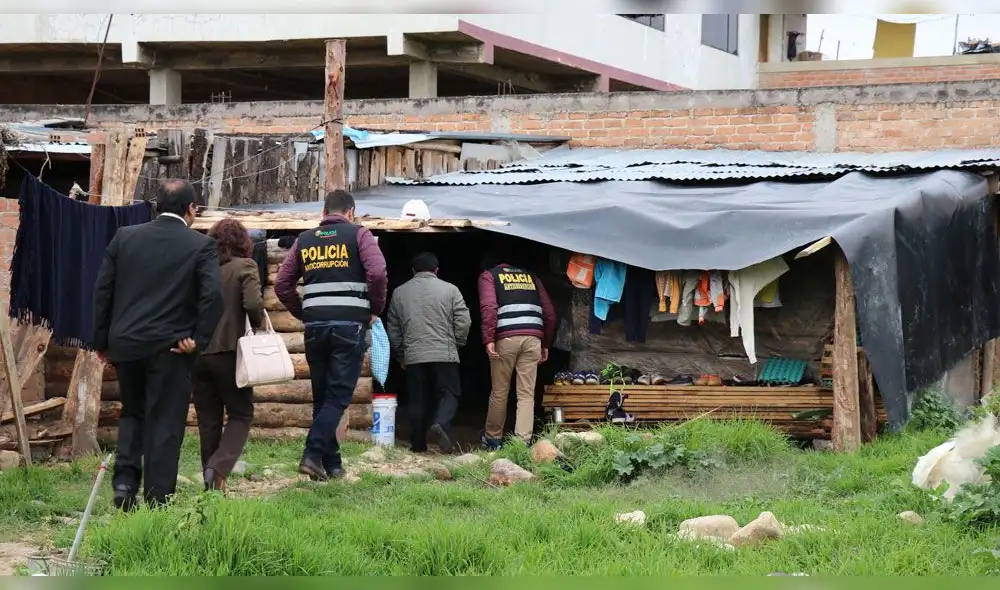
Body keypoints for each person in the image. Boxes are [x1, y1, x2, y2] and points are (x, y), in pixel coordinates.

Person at [93, 179, 224, 510]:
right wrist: (198, 338)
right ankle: (157, 498)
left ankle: (124, 485)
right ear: (191, 209)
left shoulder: (125, 238)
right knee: (165, 421)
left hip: (127, 345)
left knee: (133, 414)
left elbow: (103, 291)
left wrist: (102, 340)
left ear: (156, 205)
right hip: (173, 348)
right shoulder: (200, 246)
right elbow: (213, 297)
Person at [275, 189, 387, 481]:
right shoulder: (360, 236)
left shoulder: (305, 240)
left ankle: (332, 464)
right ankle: (312, 455)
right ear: (351, 212)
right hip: (349, 326)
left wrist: (304, 313)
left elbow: (282, 284)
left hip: (315, 329)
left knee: (323, 397)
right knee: (337, 397)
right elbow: (377, 273)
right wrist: (374, 308)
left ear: (323, 213)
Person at [193, 219, 265, 492]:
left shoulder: (202, 269)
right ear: (242, 242)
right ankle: (219, 466)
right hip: (230, 352)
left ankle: (210, 486)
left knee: (208, 420)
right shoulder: (245, 266)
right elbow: (254, 304)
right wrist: (258, 324)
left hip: (197, 354)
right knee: (242, 414)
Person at [386, 252, 471, 453]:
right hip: (444, 353)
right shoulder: (451, 290)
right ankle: (440, 424)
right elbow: (463, 321)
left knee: (417, 398)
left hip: (414, 356)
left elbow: (393, 328)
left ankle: (417, 445)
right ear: (436, 270)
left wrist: (401, 354)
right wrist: (456, 344)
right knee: (449, 392)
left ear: (413, 271)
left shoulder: (399, 292)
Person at [477, 256, 556, 450]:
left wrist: (488, 338)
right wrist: (546, 343)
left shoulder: (488, 276)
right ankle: (523, 442)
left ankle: (493, 439)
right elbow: (550, 313)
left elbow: (489, 308)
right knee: (526, 394)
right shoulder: (532, 277)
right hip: (533, 340)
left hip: (506, 339)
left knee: (499, 391)